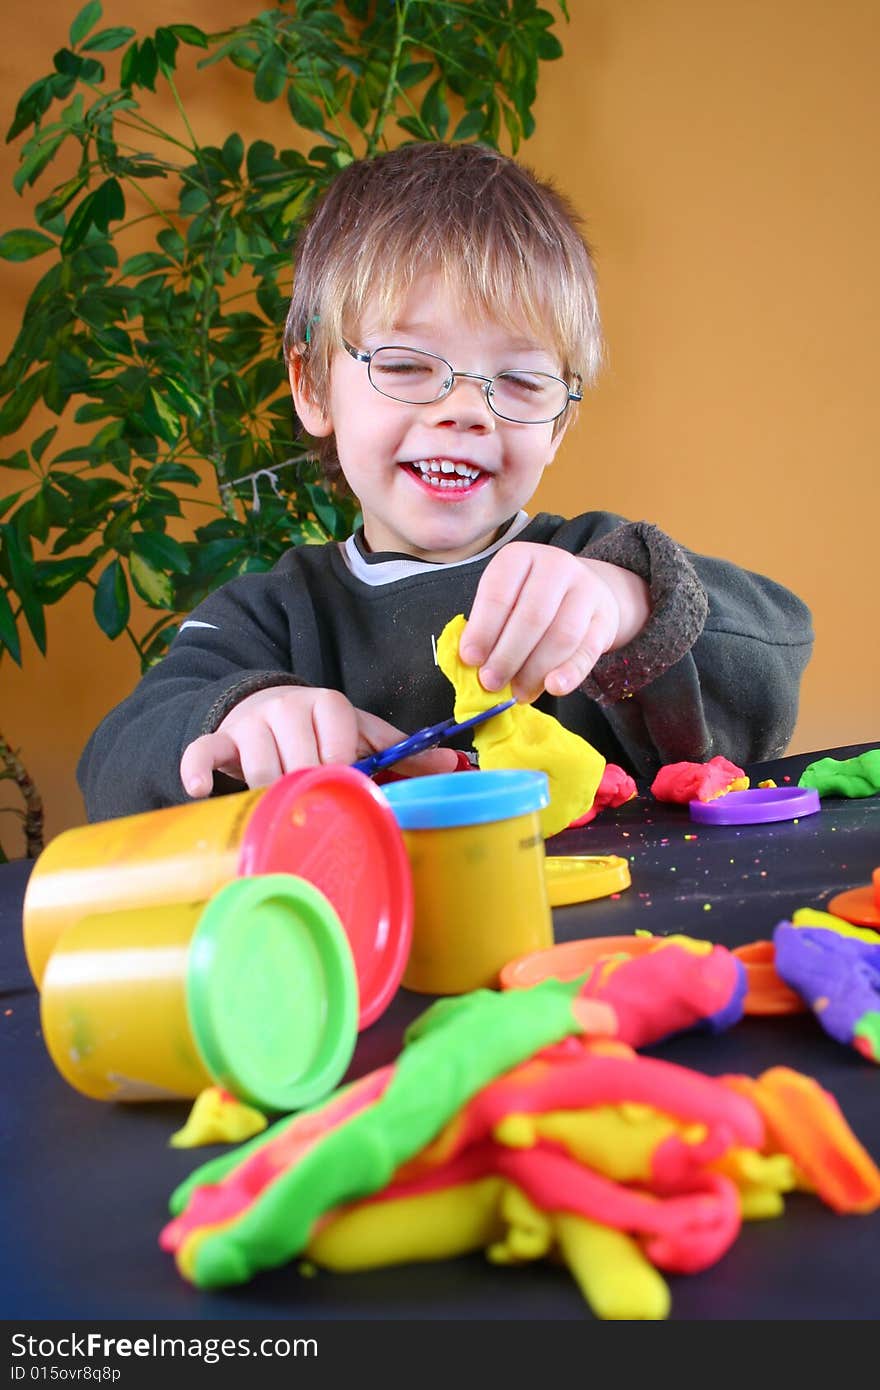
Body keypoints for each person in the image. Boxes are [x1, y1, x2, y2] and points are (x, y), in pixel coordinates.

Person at [78, 142, 813, 822]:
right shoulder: (272, 617)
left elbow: (774, 657)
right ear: (312, 386)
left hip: (607, 951)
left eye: (521, 381)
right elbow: (113, 762)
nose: (464, 411)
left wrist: (630, 607)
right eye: (404, 365)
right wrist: (244, 713)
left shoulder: (595, 563)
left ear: (558, 424)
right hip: (368, 960)